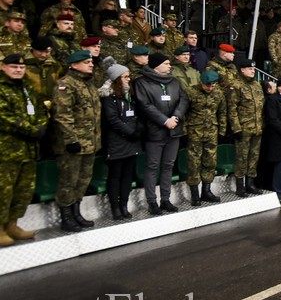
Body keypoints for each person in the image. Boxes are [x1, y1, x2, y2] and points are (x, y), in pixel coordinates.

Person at [0, 53, 48, 245]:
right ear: (3, 67)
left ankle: (13, 224)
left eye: (21, 67)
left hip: (28, 150)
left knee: (23, 191)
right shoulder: (2, 89)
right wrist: (32, 129)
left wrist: (41, 125)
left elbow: (41, 111)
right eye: (14, 67)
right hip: (6, 150)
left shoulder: (27, 88)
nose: (19, 70)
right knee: (4, 191)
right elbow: (4, 117)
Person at [52, 50, 102, 232]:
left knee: (83, 180)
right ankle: (66, 217)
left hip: (90, 142)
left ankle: (76, 212)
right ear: (73, 65)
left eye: (91, 61)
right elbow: (63, 116)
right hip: (72, 144)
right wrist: (71, 140)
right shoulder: (66, 85)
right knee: (68, 181)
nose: (91, 64)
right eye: (86, 62)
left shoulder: (88, 84)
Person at [134, 53, 188, 214]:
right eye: (166, 63)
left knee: (168, 165)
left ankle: (166, 199)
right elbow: (145, 105)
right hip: (155, 131)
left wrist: (176, 117)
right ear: (156, 66)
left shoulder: (174, 81)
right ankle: (152, 202)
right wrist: (165, 121)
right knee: (152, 167)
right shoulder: (142, 82)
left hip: (174, 131)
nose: (169, 66)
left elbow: (183, 100)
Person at [99, 64, 140, 220]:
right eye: (125, 77)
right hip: (116, 141)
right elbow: (112, 119)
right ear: (116, 79)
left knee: (127, 175)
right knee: (115, 175)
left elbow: (137, 114)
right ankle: (115, 207)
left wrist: (138, 130)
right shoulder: (109, 96)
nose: (128, 79)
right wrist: (130, 132)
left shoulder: (129, 95)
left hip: (132, 142)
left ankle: (124, 204)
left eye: (129, 76)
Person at [185, 69, 227, 206]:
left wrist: (222, 130)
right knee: (194, 163)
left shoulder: (219, 93)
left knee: (210, 162)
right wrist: (184, 132)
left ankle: (206, 191)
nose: (210, 88)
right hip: (194, 132)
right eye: (207, 85)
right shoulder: (191, 92)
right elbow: (183, 112)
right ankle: (195, 194)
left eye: (213, 86)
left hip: (211, 132)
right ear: (200, 82)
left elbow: (222, 112)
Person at [228, 57, 265, 197]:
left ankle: (250, 183)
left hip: (257, 128)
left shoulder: (256, 85)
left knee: (254, 156)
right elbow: (232, 109)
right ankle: (240, 185)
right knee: (242, 157)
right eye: (250, 69)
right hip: (243, 128)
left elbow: (261, 107)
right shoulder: (236, 85)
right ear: (242, 70)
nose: (252, 71)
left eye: (253, 69)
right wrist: (236, 128)